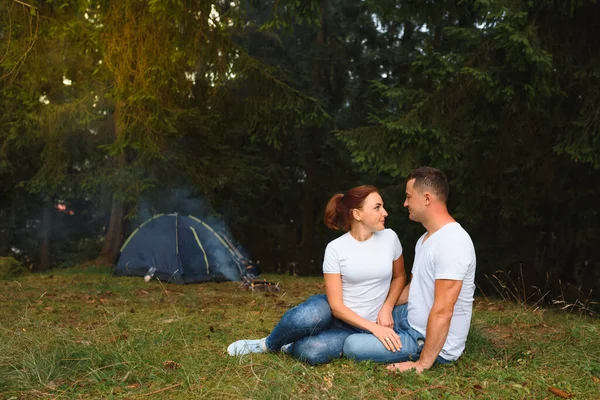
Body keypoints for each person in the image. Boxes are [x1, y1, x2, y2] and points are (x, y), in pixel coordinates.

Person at [227, 185, 406, 365]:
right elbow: (336, 306)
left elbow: (400, 276)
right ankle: (267, 344)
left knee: (312, 351)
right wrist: (374, 328)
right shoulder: (336, 248)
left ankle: (288, 346)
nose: (385, 212)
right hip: (334, 312)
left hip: (355, 330)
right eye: (377, 207)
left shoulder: (390, 238)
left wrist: (387, 307)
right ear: (357, 214)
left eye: (382, 206)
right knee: (308, 316)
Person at [343, 166, 476, 372]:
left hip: (427, 340)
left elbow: (443, 312)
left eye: (408, 197)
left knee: (352, 346)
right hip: (409, 318)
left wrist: (421, 364)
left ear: (427, 198)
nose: (405, 203)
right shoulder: (425, 239)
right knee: (365, 312)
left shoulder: (453, 242)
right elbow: (415, 287)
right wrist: (386, 307)